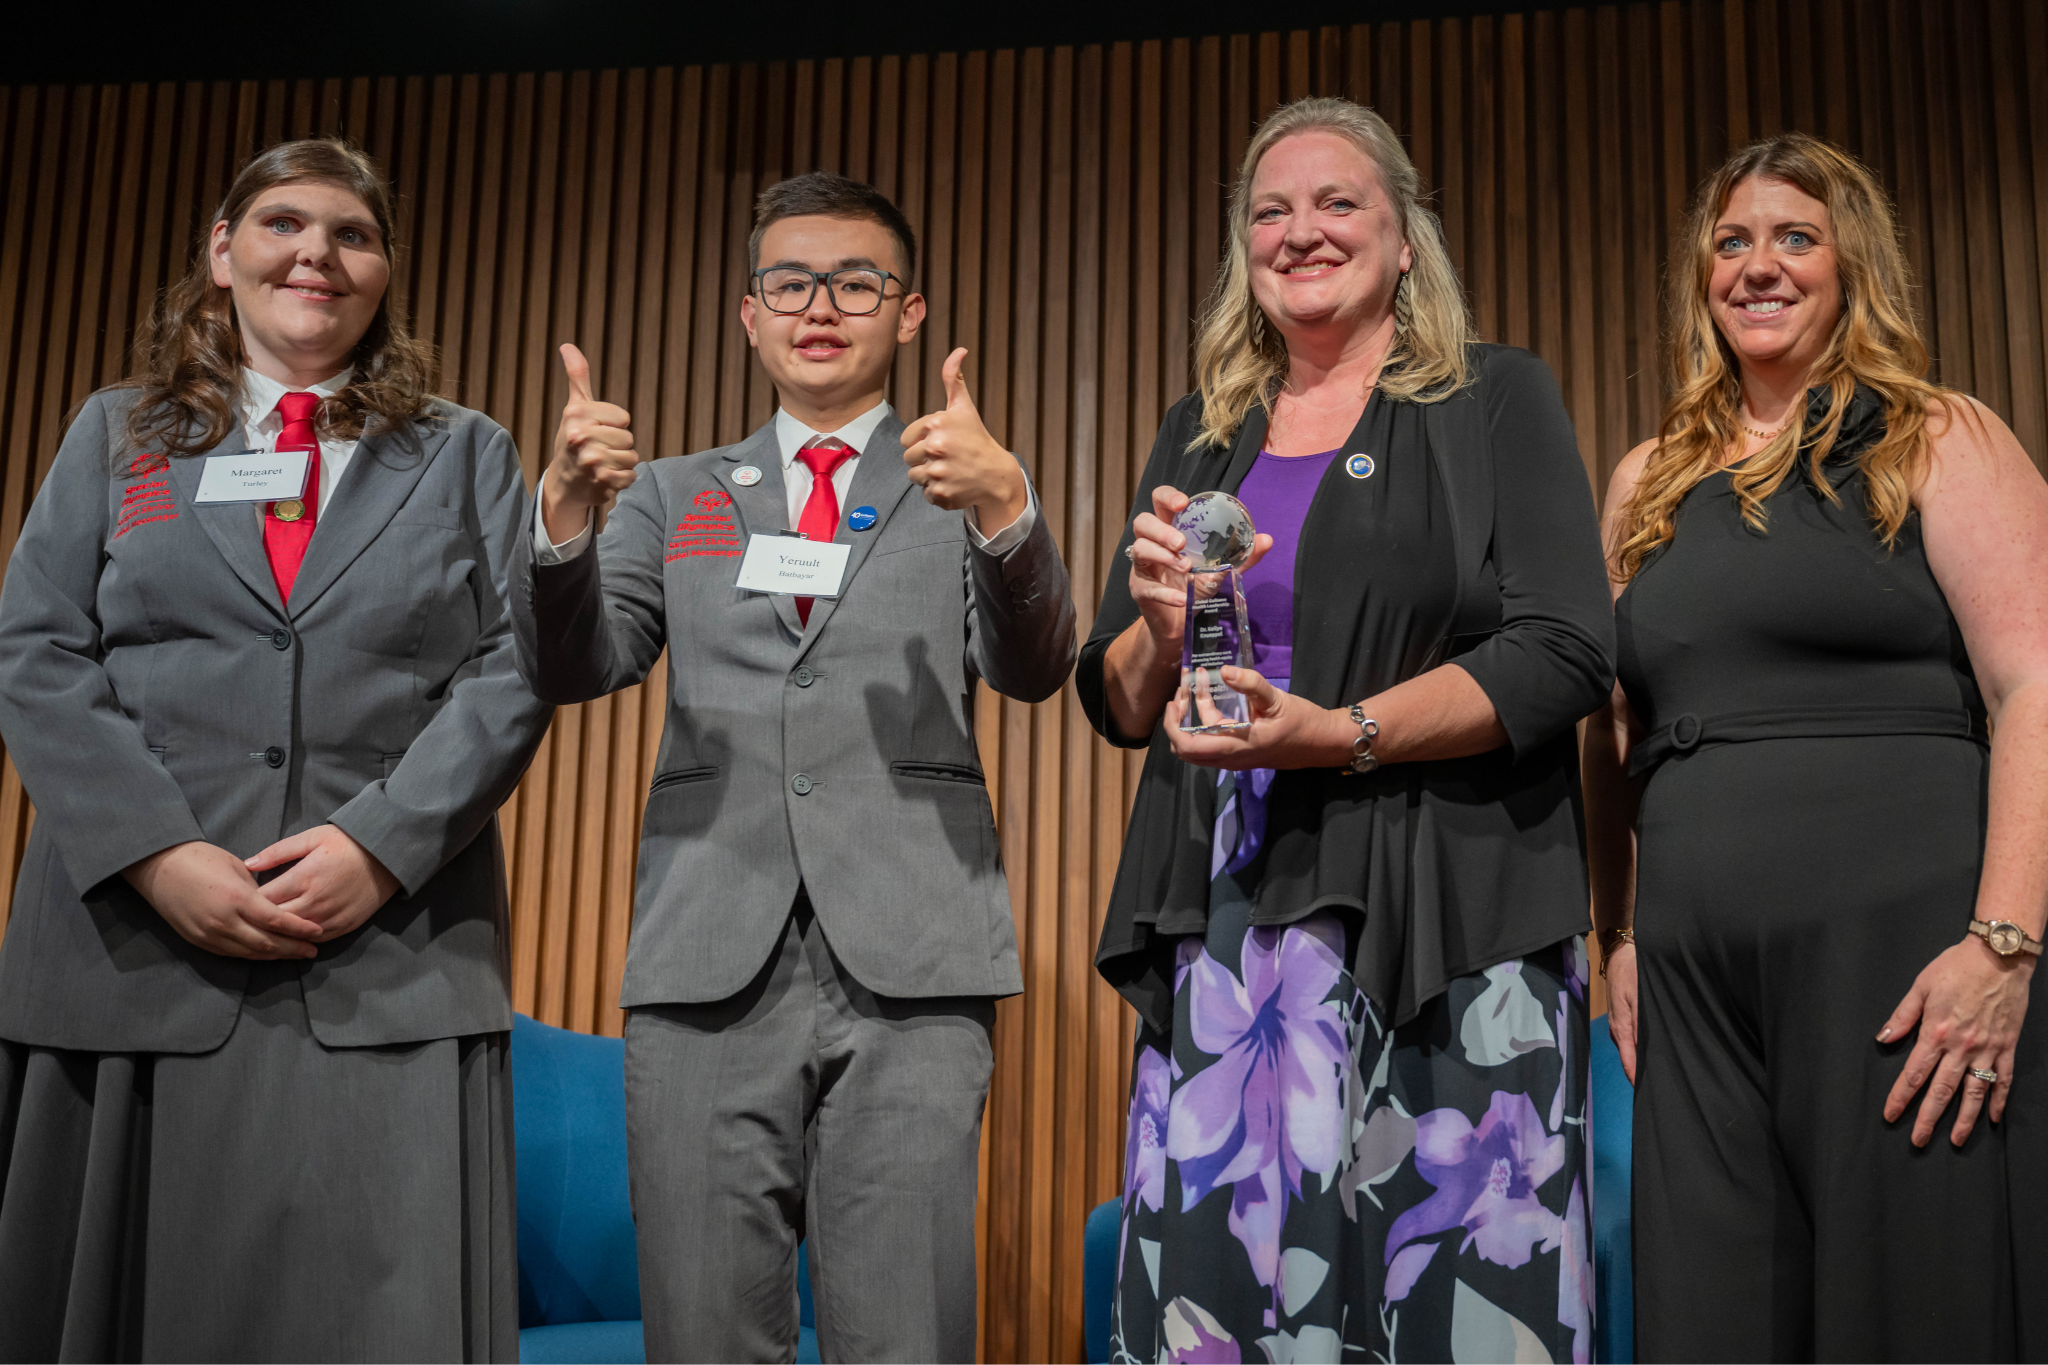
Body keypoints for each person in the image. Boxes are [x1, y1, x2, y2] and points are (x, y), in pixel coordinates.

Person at [1079, 96, 1615, 1364]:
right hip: (1231, 917)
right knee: (1230, 1301)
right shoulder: (1199, 432)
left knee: (1455, 1300)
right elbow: (1114, 699)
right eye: (1269, 211)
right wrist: (1158, 629)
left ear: (1402, 237)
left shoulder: (1492, 400)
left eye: (1336, 204)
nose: (1299, 232)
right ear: (1240, 251)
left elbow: (1561, 653)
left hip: (1455, 912)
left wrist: (1338, 732)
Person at [0, 139, 551, 1361]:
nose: (316, 253)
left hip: (381, 955)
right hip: (129, 954)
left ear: (386, 271)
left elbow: (516, 668)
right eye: (283, 224)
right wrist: (155, 854)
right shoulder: (113, 436)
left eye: (353, 233)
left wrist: (381, 846)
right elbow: (38, 650)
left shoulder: (468, 453)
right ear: (220, 254)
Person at [511, 171, 1075, 1362]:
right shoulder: (674, 496)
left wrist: (1009, 508)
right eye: (790, 282)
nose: (822, 305)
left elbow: (1032, 670)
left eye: (856, 281)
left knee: (902, 1331)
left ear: (908, 313)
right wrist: (562, 515)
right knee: (704, 1326)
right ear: (749, 315)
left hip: (913, 957)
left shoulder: (954, 483)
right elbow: (580, 665)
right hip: (707, 949)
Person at [1585, 132, 2048, 1360]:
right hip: (1694, 977)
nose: (1757, 265)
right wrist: (1617, 931)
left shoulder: (1938, 435)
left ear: (1852, 265)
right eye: (1730, 241)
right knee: (1710, 1316)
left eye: (1794, 236)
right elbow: (1607, 728)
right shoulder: (1645, 481)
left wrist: (2002, 943)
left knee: (1914, 1307)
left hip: (1907, 961)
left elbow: (2035, 684)